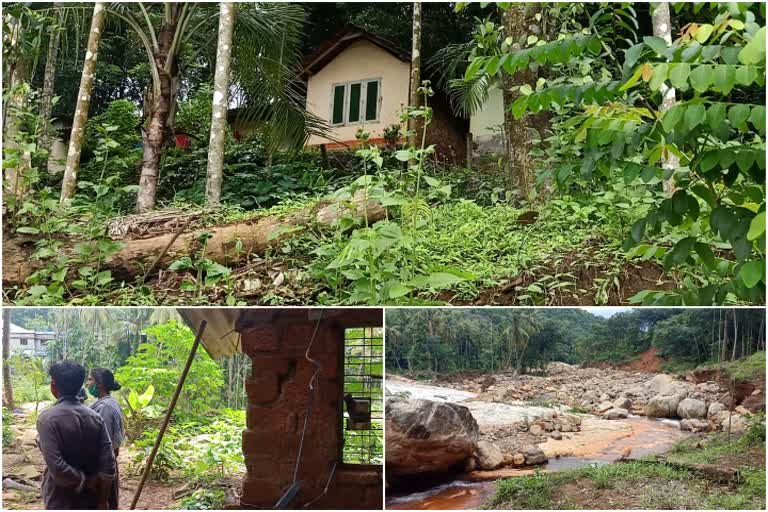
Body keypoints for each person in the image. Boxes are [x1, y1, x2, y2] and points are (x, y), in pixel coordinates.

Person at [37, 360, 115, 510]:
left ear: (53, 386)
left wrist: (83, 480)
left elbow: (57, 467)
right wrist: (103, 500)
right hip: (91, 498)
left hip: (60, 498)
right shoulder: (95, 418)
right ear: (80, 386)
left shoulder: (47, 419)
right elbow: (108, 462)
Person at [88, 368, 125, 510]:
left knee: (104, 504)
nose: (88, 383)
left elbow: (107, 447)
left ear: (100, 384)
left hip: (103, 472)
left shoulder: (105, 408)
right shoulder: (108, 403)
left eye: (90, 379)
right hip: (106, 470)